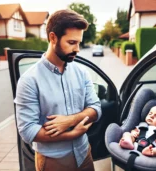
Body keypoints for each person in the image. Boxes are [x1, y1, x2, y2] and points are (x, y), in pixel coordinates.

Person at [14, 9, 102, 171]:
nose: (77, 49)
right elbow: (27, 130)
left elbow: (96, 108)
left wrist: (70, 120)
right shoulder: (29, 80)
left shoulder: (81, 72)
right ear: (53, 38)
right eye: (71, 43)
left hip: (84, 153)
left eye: (79, 43)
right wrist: (71, 134)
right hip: (53, 161)